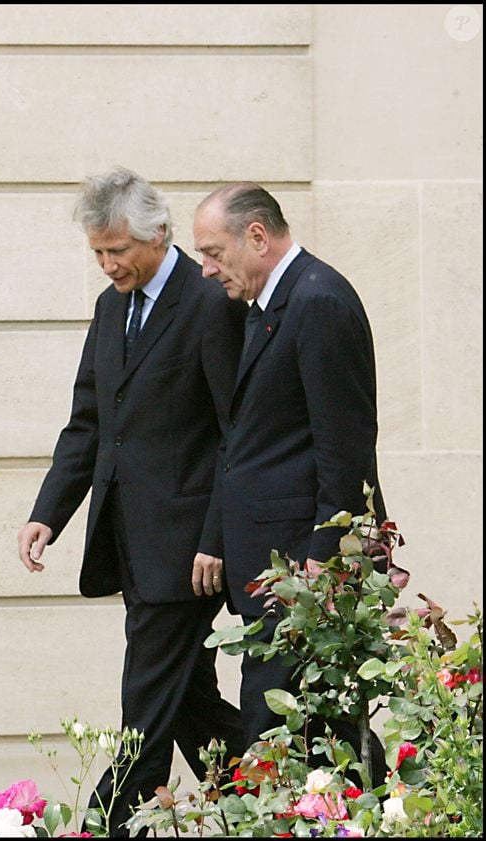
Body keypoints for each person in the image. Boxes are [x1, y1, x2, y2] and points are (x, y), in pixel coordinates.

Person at [18, 168, 247, 836]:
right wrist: (46, 513)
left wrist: (216, 537)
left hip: (187, 553)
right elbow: (89, 422)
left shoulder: (208, 303)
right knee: (190, 702)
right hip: (131, 544)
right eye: (98, 251)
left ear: (160, 233)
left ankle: (101, 827)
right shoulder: (109, 306)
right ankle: (294, 806)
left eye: (118, 249)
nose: (108, 263)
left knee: (144, 707)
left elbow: (236, 433)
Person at [192, 182, 388, 785]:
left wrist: (321, 566)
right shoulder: (269, 305)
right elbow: (249, 443)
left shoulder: (319, 300)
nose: (205, 270)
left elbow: (345, 450)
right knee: (317, 734)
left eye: (213, 252)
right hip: (270, 568)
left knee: (283, 735)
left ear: (256, 236)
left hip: (301, 570)